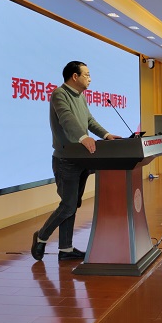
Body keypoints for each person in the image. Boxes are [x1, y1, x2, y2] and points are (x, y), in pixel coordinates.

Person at [31, 61, 122, 262]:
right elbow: (66, 119)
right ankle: (42, 236)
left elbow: (89, 121)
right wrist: (83, 137)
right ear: (75, 76)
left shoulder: (81, 96)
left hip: (82, 159)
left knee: (72, 204)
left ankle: (66, 249)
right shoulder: (59, 94)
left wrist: (106, 135)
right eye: (86, 74)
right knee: (68, 205)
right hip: (65, 159)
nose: (90, 78)